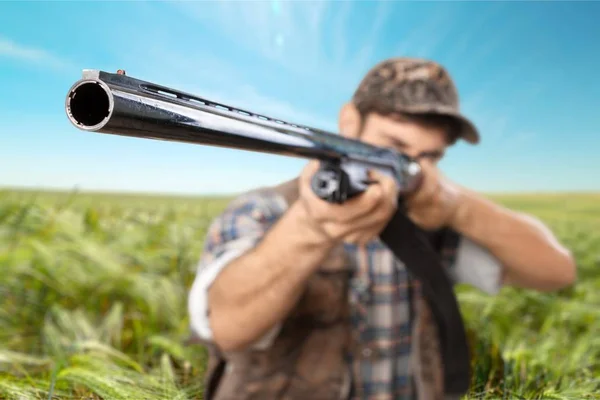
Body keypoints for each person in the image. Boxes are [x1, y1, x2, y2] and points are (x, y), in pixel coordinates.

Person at [187, 58, 576, 400]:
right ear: (349, 122)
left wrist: (457, 206)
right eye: (394, 146)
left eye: (429, 158)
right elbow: (227, 329)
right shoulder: (262, 210)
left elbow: (556, 271)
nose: (412, 167)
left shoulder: (429, 218)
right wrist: (310, 228)